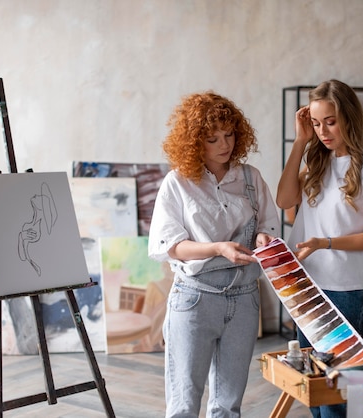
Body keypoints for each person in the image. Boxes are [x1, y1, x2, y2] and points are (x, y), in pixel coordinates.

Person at [148, 91, 280, 418]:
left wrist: (264, 238)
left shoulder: (251, 178)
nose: (225, 144)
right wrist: (218, 248)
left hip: (245, 300)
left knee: (228, 405)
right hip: (194, 300)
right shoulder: (177, 183)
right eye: (212, 138)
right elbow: (171, 246)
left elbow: (268, 227)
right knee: (183, 404)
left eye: (229, 134)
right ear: (195, 142)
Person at [276, 80, 363, 418]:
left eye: (330, 121)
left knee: (349, 391)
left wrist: (324, 243)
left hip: (347, 288)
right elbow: (284, 200)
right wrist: (301, 142)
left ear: (350, 116)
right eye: (316, 123)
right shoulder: (318, 159)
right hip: (303, 284)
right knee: (316, 387)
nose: (323, 131)